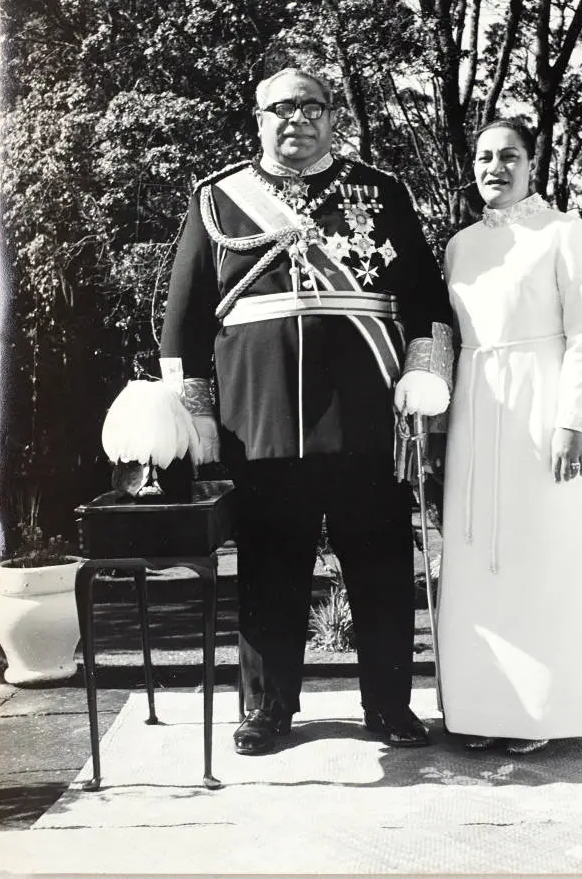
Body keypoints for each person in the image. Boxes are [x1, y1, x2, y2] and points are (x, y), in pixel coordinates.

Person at [159, 67, 453, 755]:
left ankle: (388, 706)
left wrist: (425, 376)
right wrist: (197, 421)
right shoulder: (217, 200)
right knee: (269, 571)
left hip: (364, 417)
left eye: (312, 106)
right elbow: (183, 324)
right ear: (257, 119)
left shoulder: (380, 193)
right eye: (281, 108)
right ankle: (269, 709)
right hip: (257, 422)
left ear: (332, 117)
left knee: (381, 569)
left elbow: (426, 304)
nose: (297, 119)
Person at [435, 115, 582, 753]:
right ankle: (480, 711)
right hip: (476, 414)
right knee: (478, 555)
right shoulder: (459, 246)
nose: (495, 168)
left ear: (533, 163)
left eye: (509, 156)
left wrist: (570, 420)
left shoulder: (564, 233)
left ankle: (537, 715)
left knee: (537, 558)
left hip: (540, 412)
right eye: (484, 156)